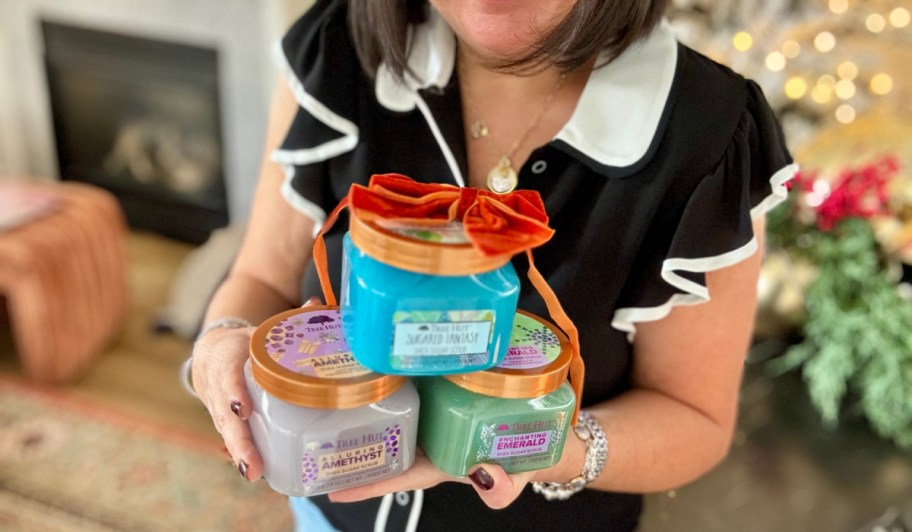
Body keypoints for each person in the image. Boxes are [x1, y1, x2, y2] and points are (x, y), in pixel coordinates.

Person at [189, 0, 797, 530]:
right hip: (328, 515)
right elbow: (261, 277)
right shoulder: (336, 43)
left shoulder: (710, 134)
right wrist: (220, 343)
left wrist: (548, 448)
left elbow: (695, 418)